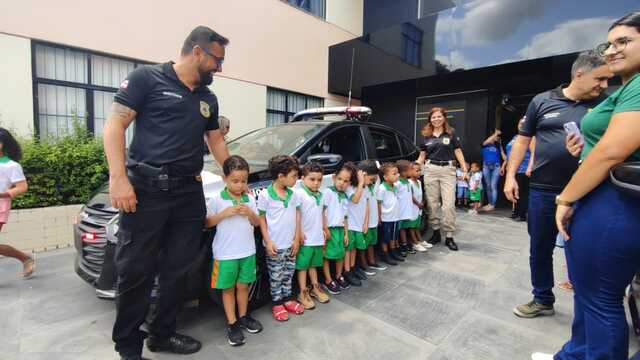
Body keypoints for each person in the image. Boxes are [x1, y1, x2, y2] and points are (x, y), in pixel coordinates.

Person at [104, 26, 231, 359]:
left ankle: (162, 334)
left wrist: (233, 173)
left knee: (178, 269)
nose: (220, 68)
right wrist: (118, 178)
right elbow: (115, 125)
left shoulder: (207, 98)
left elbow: (215, 140)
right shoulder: (147, 78)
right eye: (217, 59)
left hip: (189, 192)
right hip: (146, 191)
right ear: (197, 51)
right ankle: (129, 347)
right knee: (135, 272)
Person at [532, 12, 640, 360]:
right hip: (604, 197)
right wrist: (584, 152)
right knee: (589, 293)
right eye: (609, 43)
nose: (611, 51)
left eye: (623, 41)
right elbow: (606, 145)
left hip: (615, 201)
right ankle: (575, 354)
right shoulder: (627, 87)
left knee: (600, 300)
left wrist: (566, 197)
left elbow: (612, 152)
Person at [504, 50, 612, 320]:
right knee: (539, 248)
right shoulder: (542, 101)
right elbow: (522, 141)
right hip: (543, 190)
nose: (604, 86)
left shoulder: (605, 104)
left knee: (585, 249)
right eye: (600, 79)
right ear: (579, 74)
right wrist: (510, 176)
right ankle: (542, 299)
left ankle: (590, 307)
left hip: (587, 191)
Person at [205, 156, 262, 346]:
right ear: (224, 179)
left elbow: (257, 223)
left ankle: (244, 316)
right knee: (228, 289)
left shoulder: (249, 198)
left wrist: (250, 213)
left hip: (247, 251)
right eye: (234, 181)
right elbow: (206, 223)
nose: (239, 185)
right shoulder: (217, 199)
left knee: (243, 286)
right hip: (225, 254)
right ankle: (232, 323)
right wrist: (223, 214)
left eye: (243, 181)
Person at [257, 155, 304, 321]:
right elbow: (261, 219)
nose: (296, 179)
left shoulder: (294, 194)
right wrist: (268, 241)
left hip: (291, 244)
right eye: (293, 176)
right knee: (275, 276)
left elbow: (298, 216)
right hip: (275, 246)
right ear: (280, 176)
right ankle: (277, 303)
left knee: (288, 273)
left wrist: (297, 238)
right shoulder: (265, 195)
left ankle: (287, 299)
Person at [417, 107, 469, 251]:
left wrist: (464, 168)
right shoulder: (425, 135)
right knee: (432, 204)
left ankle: (449, 236)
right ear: (430, 119)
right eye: (433, 117)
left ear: (444, 118)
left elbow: (458, 151)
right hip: (430, 170)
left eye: (439, 116)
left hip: (448, 171)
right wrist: (415, 167)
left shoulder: (451, 133)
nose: (436, 119)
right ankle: (435, 233)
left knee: (448, 205)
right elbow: (422, 156)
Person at [294, 161, 331, 310]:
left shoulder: (321, 195)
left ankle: (315, 288)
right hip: (305, 238)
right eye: (312, 179)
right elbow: (296, 216)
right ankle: (302, 293)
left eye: (319, 180)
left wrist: (325, 228)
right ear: (302, 178)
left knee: (314, 265)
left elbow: (322, 214)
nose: (316, 183)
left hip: (317, 237)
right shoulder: (299, 194)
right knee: (303, 266)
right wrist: (299, 233)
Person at [0, 128, 34, 279]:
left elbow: (22, 187)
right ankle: (25, 258)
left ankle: (25, 258)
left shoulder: (11, 166)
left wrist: (4, 194)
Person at [322, 163, 354, 294]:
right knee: (327, 256)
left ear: (349, 183)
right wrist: (325, 229)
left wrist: (346, 233)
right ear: (334, 178)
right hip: (330, 229)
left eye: (346, 181)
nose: (342, 183)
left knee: (340, 254)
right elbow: (321, 212)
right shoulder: (328, 192)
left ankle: (338, 275)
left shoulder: (345, 196)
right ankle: (328, 279)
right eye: (340, 179)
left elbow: (345, 217)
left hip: (341, 230)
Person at [502, 118, 535, 221]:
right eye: (520, 123)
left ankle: (522, 214)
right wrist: (504, 165)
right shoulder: (516, 137)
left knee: (522, 192)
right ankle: (515, 212)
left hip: (523, 169)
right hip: (513, 169)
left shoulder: (531, 137)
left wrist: (530, 167)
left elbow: (534, 153)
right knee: (514, 191)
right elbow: (510, 154)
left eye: (523, 123)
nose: (521, 125)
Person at [345, 165, 372, 282]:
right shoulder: (349, 188)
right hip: (350, 224)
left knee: (355, 248)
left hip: (359, 224)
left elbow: (366, 205)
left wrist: (366, 222)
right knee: (349, 249)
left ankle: (353, 267)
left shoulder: (363, 187)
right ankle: (347, 271)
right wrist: (361, 183)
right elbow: (355, 200)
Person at [360, 160, 388, 271]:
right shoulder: (361, 188)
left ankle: (372, 261)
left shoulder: (373, 184)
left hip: (373, 221)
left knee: (371, 243)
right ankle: (363, 265)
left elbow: (377, 174)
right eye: (371, 179)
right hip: (364, 222)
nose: (373, 181)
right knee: (363, 245)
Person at [376, 162, 404, 264]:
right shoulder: (382, 188)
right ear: (386, 177)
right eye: (394, 174)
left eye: (397, 173)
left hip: (395, 217)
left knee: (393, 236)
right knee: (385, 237)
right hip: (386, 217)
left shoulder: (395, 186)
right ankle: (385, 253)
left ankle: (393, 251)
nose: (398, 175)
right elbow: (378, 203)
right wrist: (379, 217)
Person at [480, 130, 507, 212]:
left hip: (496, 167)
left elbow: (505, 158)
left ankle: (492, 205)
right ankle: (490, 203)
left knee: (493, 186)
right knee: (488, 186)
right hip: (486, 166)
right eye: (495, 137)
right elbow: (486, 141)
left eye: (497, 137)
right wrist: (495, 134)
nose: (496, 138)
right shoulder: (485, 145)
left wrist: (502, 167)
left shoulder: (498, 146)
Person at [408, 162, 430, 251]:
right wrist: (418, 203)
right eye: (417, 171)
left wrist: (422, 202)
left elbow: (420, 193)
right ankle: (414, 242)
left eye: (420, 170)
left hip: (419, 207)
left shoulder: (419, 182)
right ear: (410, 171)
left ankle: (420, 240)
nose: (419, 172)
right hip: (414, 207)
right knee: (412, 226)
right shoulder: (409, 183)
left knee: (417, 226)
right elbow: (411, 196)